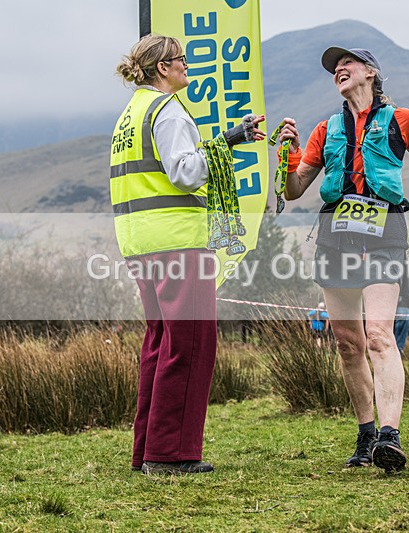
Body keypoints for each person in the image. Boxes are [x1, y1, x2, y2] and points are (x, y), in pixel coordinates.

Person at [277, 47, 409, 472]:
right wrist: (289, 154)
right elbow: (294, 190)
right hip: (335, 238)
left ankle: (390, 436)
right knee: (347, 344)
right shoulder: (325, 129)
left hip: (384, 234)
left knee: (378, 337)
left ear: (370, 72)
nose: (339, 69)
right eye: (335, 67)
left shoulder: (400, 120)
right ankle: (366, 434)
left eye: (347, 63)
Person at [112, 34, 265, 475]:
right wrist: (227, 142)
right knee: (191, 344)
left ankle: (148, 450)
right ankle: (170, 455)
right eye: (181, 59)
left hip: (139, 242)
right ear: (162, 67)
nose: (186, 66)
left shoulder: (130, 115)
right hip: (177, 241)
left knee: (160, 344)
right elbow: (184, 173)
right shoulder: (168, 110)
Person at [393, 274, 409, 358]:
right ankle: (397, 350)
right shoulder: (404, 280)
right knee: (401, 332)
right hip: (403, 308)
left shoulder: (405, 280)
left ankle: (396, 351)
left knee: (397, 331)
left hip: (402, 308)